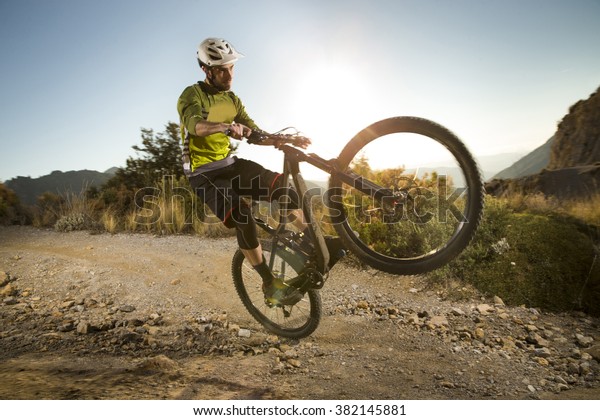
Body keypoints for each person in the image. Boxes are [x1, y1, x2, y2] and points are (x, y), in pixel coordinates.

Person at [177, 38, 310, 306]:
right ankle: (269, 282)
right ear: (206, 70)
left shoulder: (232, 99)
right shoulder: (192, 95)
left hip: (230, 164)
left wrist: (281, 139)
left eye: (231, 68)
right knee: (242, 215)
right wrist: (224, 127)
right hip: (204, 174)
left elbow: (254, 132)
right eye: (222, 69)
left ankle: (310, 241)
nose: (229, 75)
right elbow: (195, 127)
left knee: (283, 188)